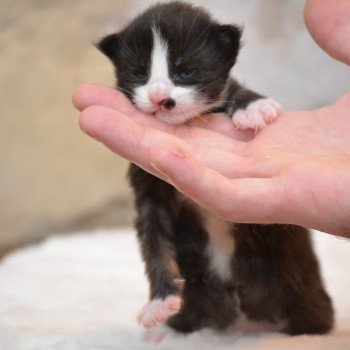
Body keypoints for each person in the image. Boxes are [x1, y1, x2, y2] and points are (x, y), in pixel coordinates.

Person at [73, 0, 350, 238]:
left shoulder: (230, 96)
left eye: (185, 72)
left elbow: (231, 92)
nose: (157, 92)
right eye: (139, 75)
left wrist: (246, 100)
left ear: (225, 53)